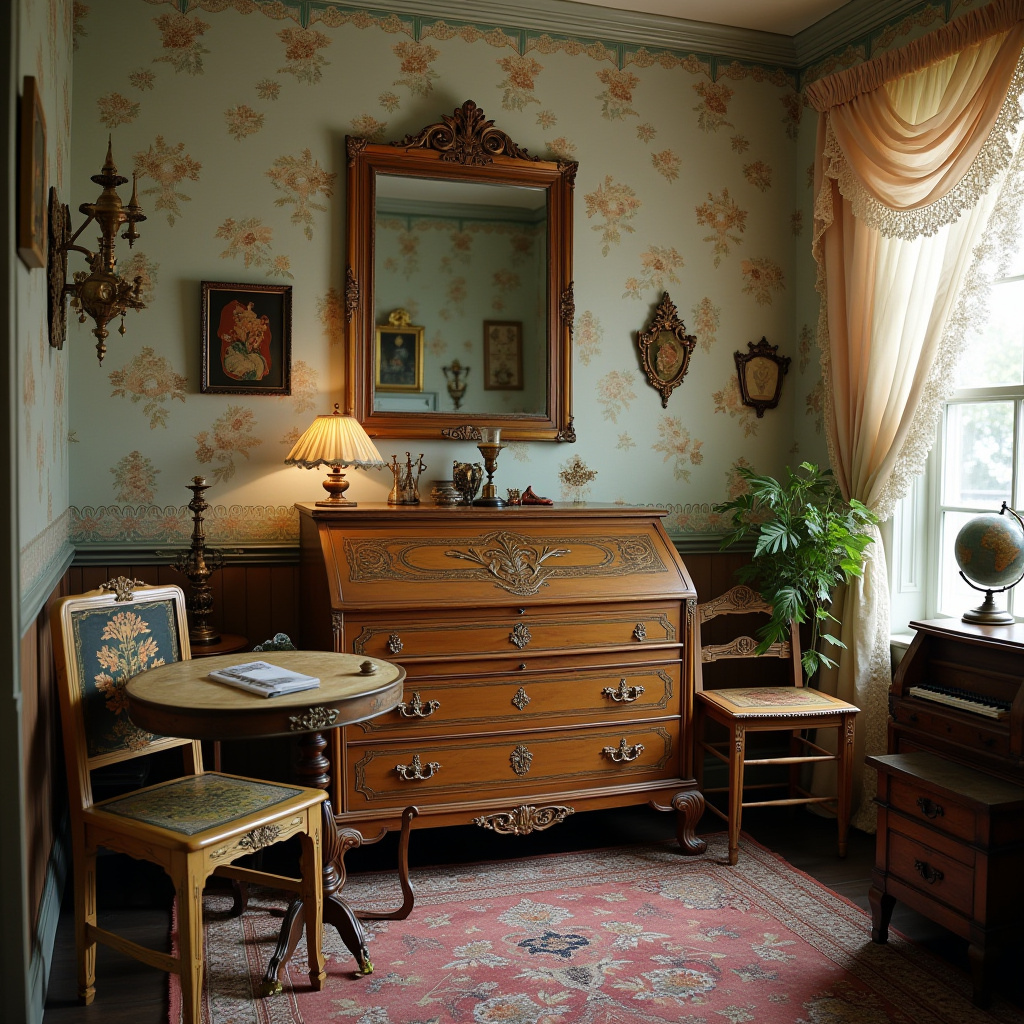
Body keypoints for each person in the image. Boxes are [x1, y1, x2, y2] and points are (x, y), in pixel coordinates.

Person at [219, 300, 271, 381]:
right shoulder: (233, 354)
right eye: (253, 335)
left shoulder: (259, 357)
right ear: (244, 336)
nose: (256, 339)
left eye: (259, 335)